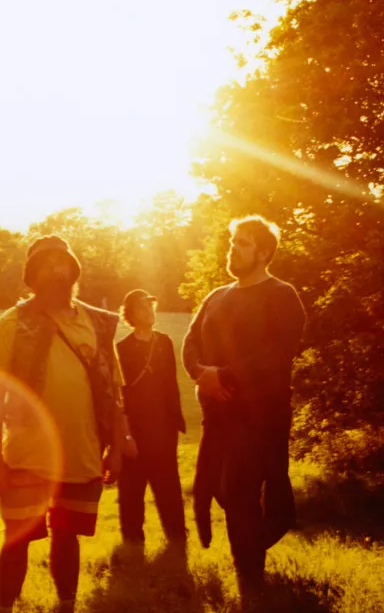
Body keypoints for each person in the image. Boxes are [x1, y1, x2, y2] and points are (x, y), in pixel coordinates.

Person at [0, 235, 128, 613]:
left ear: (74, 272)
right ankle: (4, 608)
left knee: (67, 536)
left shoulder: (97, 322)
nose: (56, 271)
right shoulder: (14, 321)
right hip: (27, 455)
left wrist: (117, 447)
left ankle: (66, 606)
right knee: (17, 536)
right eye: (46, 265)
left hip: (81, 452)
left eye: (63, 264)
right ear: (31, 276)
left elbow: (113, 390)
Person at [182, 215, 305, 609]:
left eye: (242, 244)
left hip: (261, 416)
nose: (232, 249)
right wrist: (203, 374)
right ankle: (257, 543)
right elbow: (189, 343)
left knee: (240, 492)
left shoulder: (281, 295)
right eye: (233, 242)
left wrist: (224, 375)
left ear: (264, 252)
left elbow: (276, 353)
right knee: (221, 490)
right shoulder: (216, 296)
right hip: (218, 416)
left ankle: (250, 584)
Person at [116, 289, 187, 549]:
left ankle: (177, 537)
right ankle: (133, 541)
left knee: (169, 486)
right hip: (135, 428)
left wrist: (174, 424)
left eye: (151, 307)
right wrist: (125, 435)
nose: (149, 312)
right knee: (132, 490)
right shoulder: (121, 349)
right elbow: (119, 395)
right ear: (131, 314)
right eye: (143, 308)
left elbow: (171, 385)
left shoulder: (165, 342)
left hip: (163, 428)